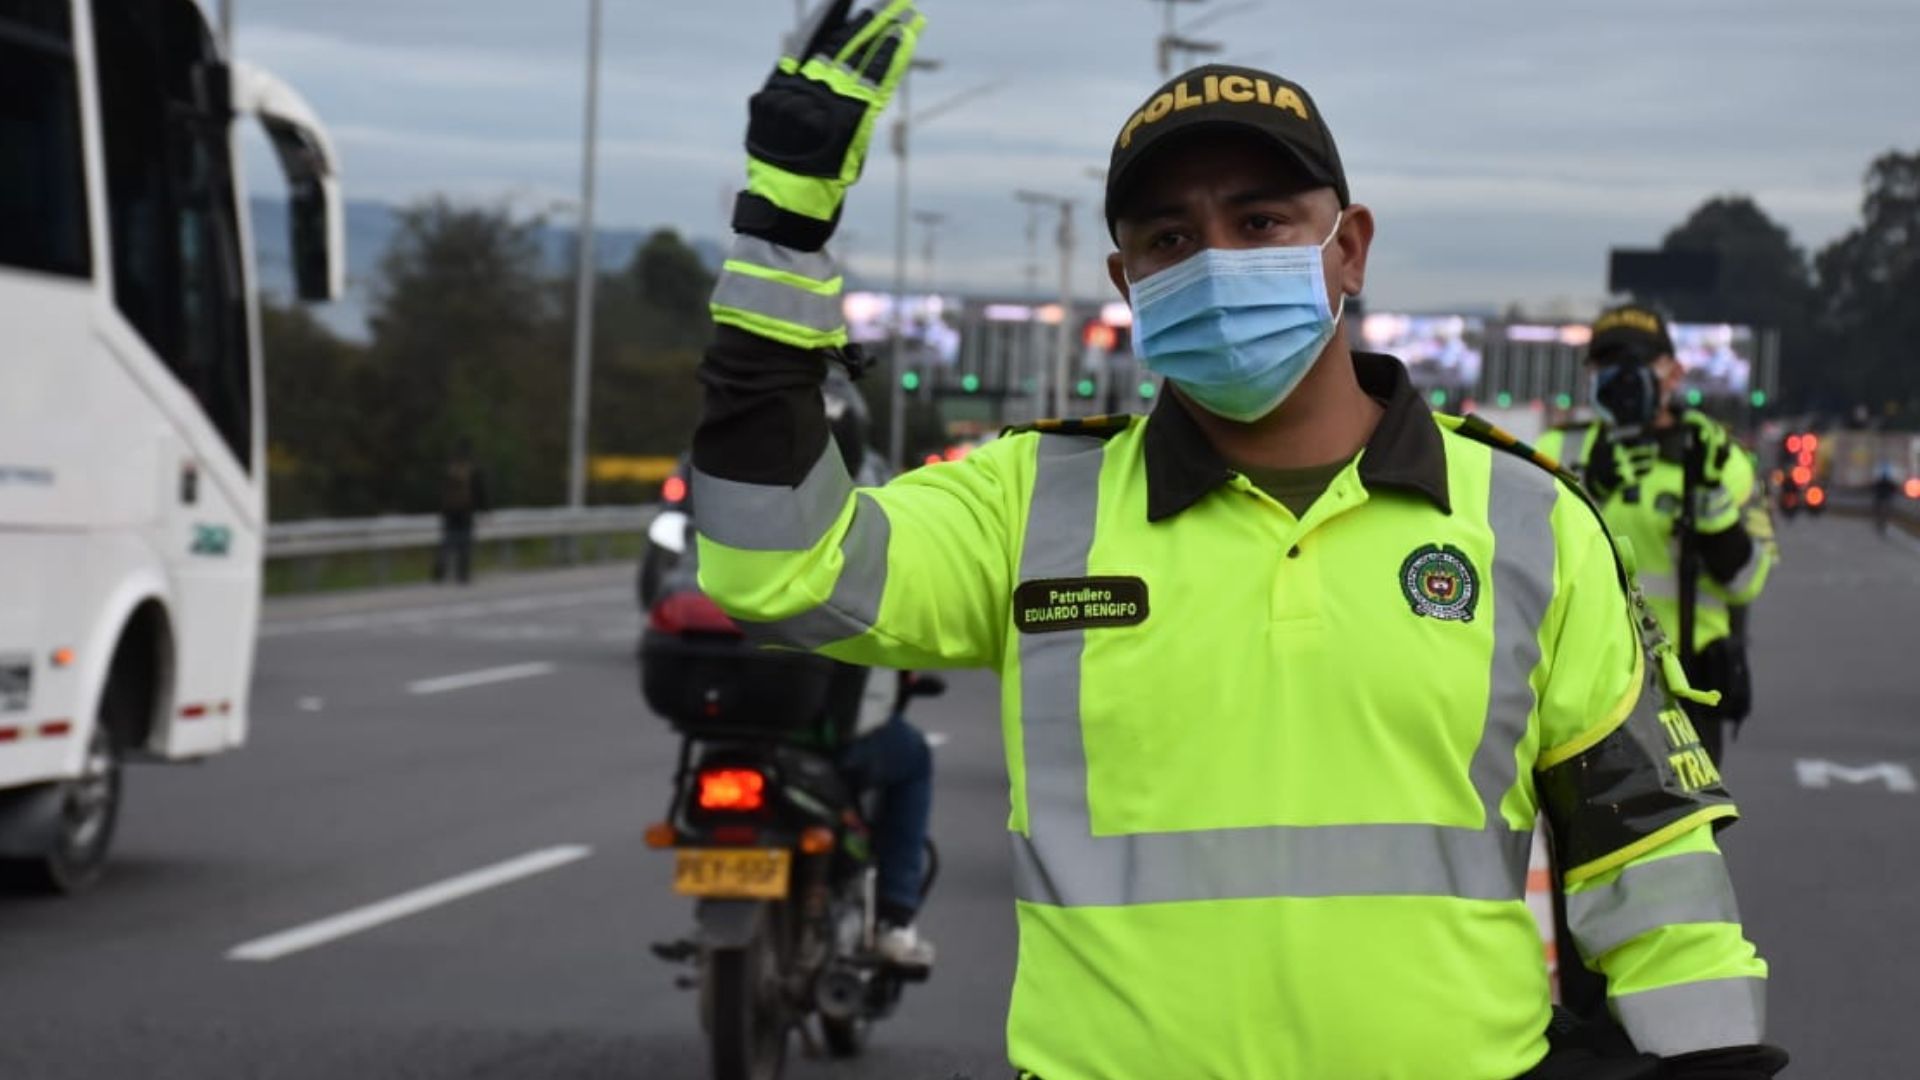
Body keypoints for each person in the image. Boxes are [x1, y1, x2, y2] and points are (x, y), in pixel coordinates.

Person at [690, 4, 1784, 1076]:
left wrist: (1704, 1057)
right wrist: (779, 244)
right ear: (1127, 285)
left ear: (1348, 249)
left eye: (1260, 223)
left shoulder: (1529, 519)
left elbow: (1650, 863)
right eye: (1169, 238)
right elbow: (778, 566)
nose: (1213, 261)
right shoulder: (1029, 504)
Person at [1536, 308, 1776, 765]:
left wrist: (1715, 515)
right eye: (1607, 364)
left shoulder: (1718, 460)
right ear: (1589, 375)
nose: (1622, 378)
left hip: (1681, 691)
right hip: (1575, 684)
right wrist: (1587, 494)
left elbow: (1747, 582)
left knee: (1680, 836)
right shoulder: (1556, 453)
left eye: (1638, 363)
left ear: (1673, 373)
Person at [821, 369, 938, 968]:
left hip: (729, 724)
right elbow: (905, 596)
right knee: (912, 758)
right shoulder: (874, 493)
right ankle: (894, 915)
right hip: (829, 736)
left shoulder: (738, 480)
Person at [434, 440, 487, 585]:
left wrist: (442, 509)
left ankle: (441, 566)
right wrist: (484, 509)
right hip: (465, 510)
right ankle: (462, 573)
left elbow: (441, 490)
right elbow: (479, 490)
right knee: (465, 541)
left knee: (448, 540)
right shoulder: (472, 468)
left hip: (449, 511)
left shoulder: (450, 468)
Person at [1871, 463, 1899, 534]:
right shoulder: (1890, 482)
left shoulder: (1879, 482)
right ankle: (1884, 522)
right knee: (1886, 511)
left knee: (1879, 511)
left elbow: (1873, 489)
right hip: (1886, 498)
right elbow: (1894, 489)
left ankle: (1880, 523)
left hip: (1880, 498)